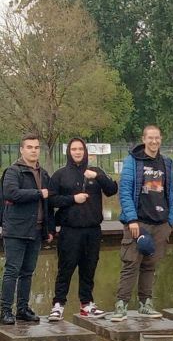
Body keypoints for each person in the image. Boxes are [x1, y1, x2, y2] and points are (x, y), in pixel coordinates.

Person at [48, 137, 118, 321]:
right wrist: (73, 199)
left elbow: (112, 190)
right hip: (70, 230)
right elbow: (51, 200)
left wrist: (98, 177)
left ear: (85, 151)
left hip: (92, 230)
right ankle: (58, 305)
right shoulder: (60, 174)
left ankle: (86, 304)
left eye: (80, 149)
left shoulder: (96, 171)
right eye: (74, 149)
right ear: (69, 152)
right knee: (66, 268)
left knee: (89, 268)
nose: (77, 152)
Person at [111, 125, 173, 322]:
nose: (154, 141)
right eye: (150, 138)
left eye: (157, 138)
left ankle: (145, 304)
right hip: (137, 222)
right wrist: (131, 219)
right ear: (144, 139)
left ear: (161, 139)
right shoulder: (133, 161)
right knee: (130, 263)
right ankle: (121, 305)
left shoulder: (166, 163)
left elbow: (170, 192)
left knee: (150, 265)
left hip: (160, 223)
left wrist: (170, 221)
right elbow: (125, 191)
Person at [0, 133, 54, 325]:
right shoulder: (13, 171)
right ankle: (5, 310)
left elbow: (48, 204)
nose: (33, 151)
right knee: (12, 271)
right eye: (29, 147)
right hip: (16, 229)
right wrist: (38, 193)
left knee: (28, 272)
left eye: (36, 147)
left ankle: (22, 309)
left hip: (36, 230)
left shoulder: (43, 174)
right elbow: (11, 193)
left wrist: (49, 229)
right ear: (22, 150)